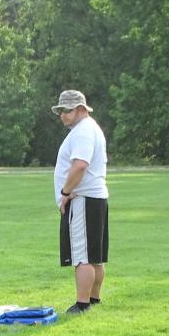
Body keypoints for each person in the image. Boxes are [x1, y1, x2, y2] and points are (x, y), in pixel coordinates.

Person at [52, 89, 108, 314]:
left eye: (67, 110)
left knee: (82, 256)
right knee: (95, 255)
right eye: (60, 111)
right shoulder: (90, 128)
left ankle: (82, 303)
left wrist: (65, 192)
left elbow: (80, 165)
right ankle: (93, 299)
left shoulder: (83, 132)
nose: (62, 115)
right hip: (95, 197)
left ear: (81, 109)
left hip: (83, 198)